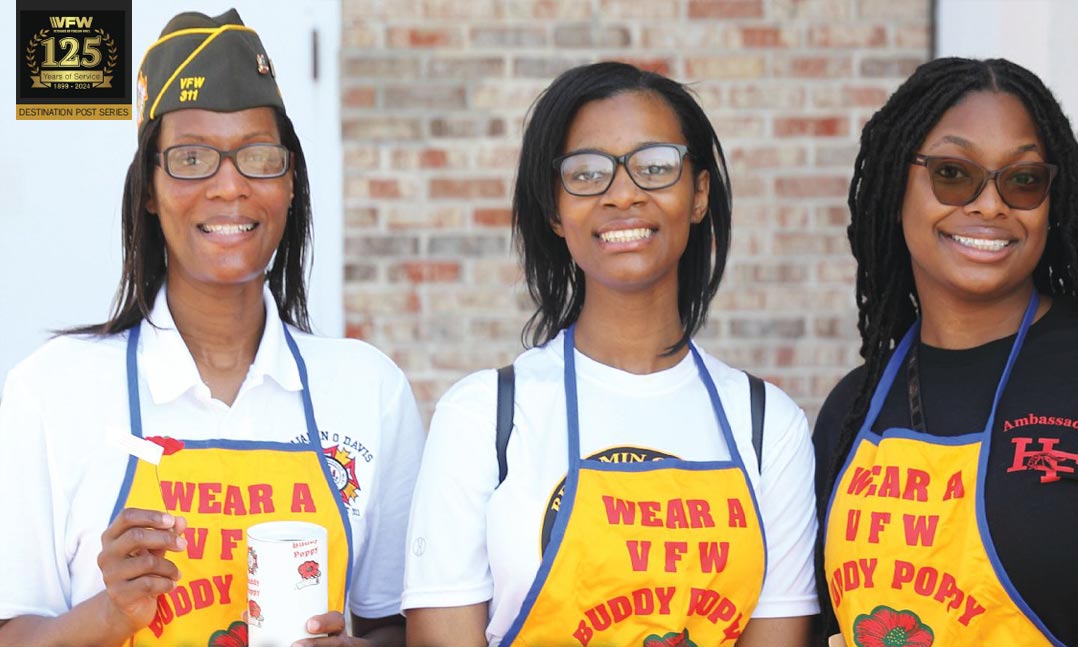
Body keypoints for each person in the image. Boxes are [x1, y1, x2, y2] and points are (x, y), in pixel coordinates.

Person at [0, 9, 423, 647]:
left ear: (289, 185)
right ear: (149, 187)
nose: (229, 187)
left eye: (258, 157)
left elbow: (399, 623)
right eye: (192, 158)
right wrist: (112, 614)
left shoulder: (368, 391)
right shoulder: (51, 392)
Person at [403, 61, 819, 647]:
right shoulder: (482, 418)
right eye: (587, 173)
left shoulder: (767, 425)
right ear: (555, 210)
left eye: (655, 167)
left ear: (698, 193)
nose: (623, 194)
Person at [814, 57, 1078, 646]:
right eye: (953, 174)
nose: (990, 205)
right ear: (895, 184)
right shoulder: (852, 409)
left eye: (1024, 179)